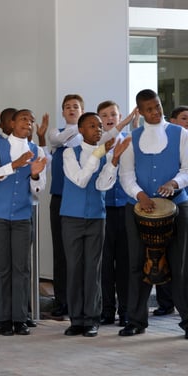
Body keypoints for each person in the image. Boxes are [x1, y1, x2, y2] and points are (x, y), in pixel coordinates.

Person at [118, 89, 188, 338]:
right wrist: (140, 195)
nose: (156, 112)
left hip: (177, 207)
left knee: (179, 266)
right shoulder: (131, 138)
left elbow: (187, 169)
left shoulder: (181, 134)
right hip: (138, 209)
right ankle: (136, 320)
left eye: (157, 106)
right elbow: (125, 175)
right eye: (149, 109)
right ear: (140, 111)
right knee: (137, 264)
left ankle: (187, 321)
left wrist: (174, 183)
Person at [60, 112, 129, 338]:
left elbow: (102, 186)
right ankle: (76, 319)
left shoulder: (104, 155)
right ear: (81, 130)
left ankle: (91, 319)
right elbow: (80, 180)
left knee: (93, 269)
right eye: (92, 126)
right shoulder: (70, 153)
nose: (98, 129)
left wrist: (114, 161)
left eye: (99, 126)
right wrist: (99, 154)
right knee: (75, 269)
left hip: (96, 218)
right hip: (71, 217)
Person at [0, 109, 47, 336]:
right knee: (0, 268)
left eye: (31, 120)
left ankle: (20, 318)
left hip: (22, 216)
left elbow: (38, 190)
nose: (28, 123)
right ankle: (1, 318)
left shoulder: (36, 150)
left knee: (22, 268)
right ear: (12, 123)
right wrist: (15, 165)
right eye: (23, 119)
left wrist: (36, 175)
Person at [96, 100, 136, 327]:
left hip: (126, 209)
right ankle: (106, 310)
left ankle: (127, 311)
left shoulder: (131, 142)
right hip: (103, 211)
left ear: (119, 115)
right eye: (104, 115)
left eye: (113, 114)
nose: (109, 117)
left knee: (125, 262)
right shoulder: (98, 143)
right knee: (105, 264)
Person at [47, 94, 84, 318]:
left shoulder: (89, 136)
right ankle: (62, 301)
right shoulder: (56, 133)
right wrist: (79, 127)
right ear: (62, 112)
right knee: (60, 252)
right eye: (68, 107)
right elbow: (58, 141)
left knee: (79, 254)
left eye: (76, 107)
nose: (72, 109)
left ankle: (80, 301)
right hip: (60, 198)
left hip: (81, 199)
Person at [152, 106, 188, 318]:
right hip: (162, 207)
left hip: (182, 205)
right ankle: (166, 303)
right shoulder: (163, 142)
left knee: (181, 260)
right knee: (162, 256)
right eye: (184, 118)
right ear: (172, 121)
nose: (187, 122)